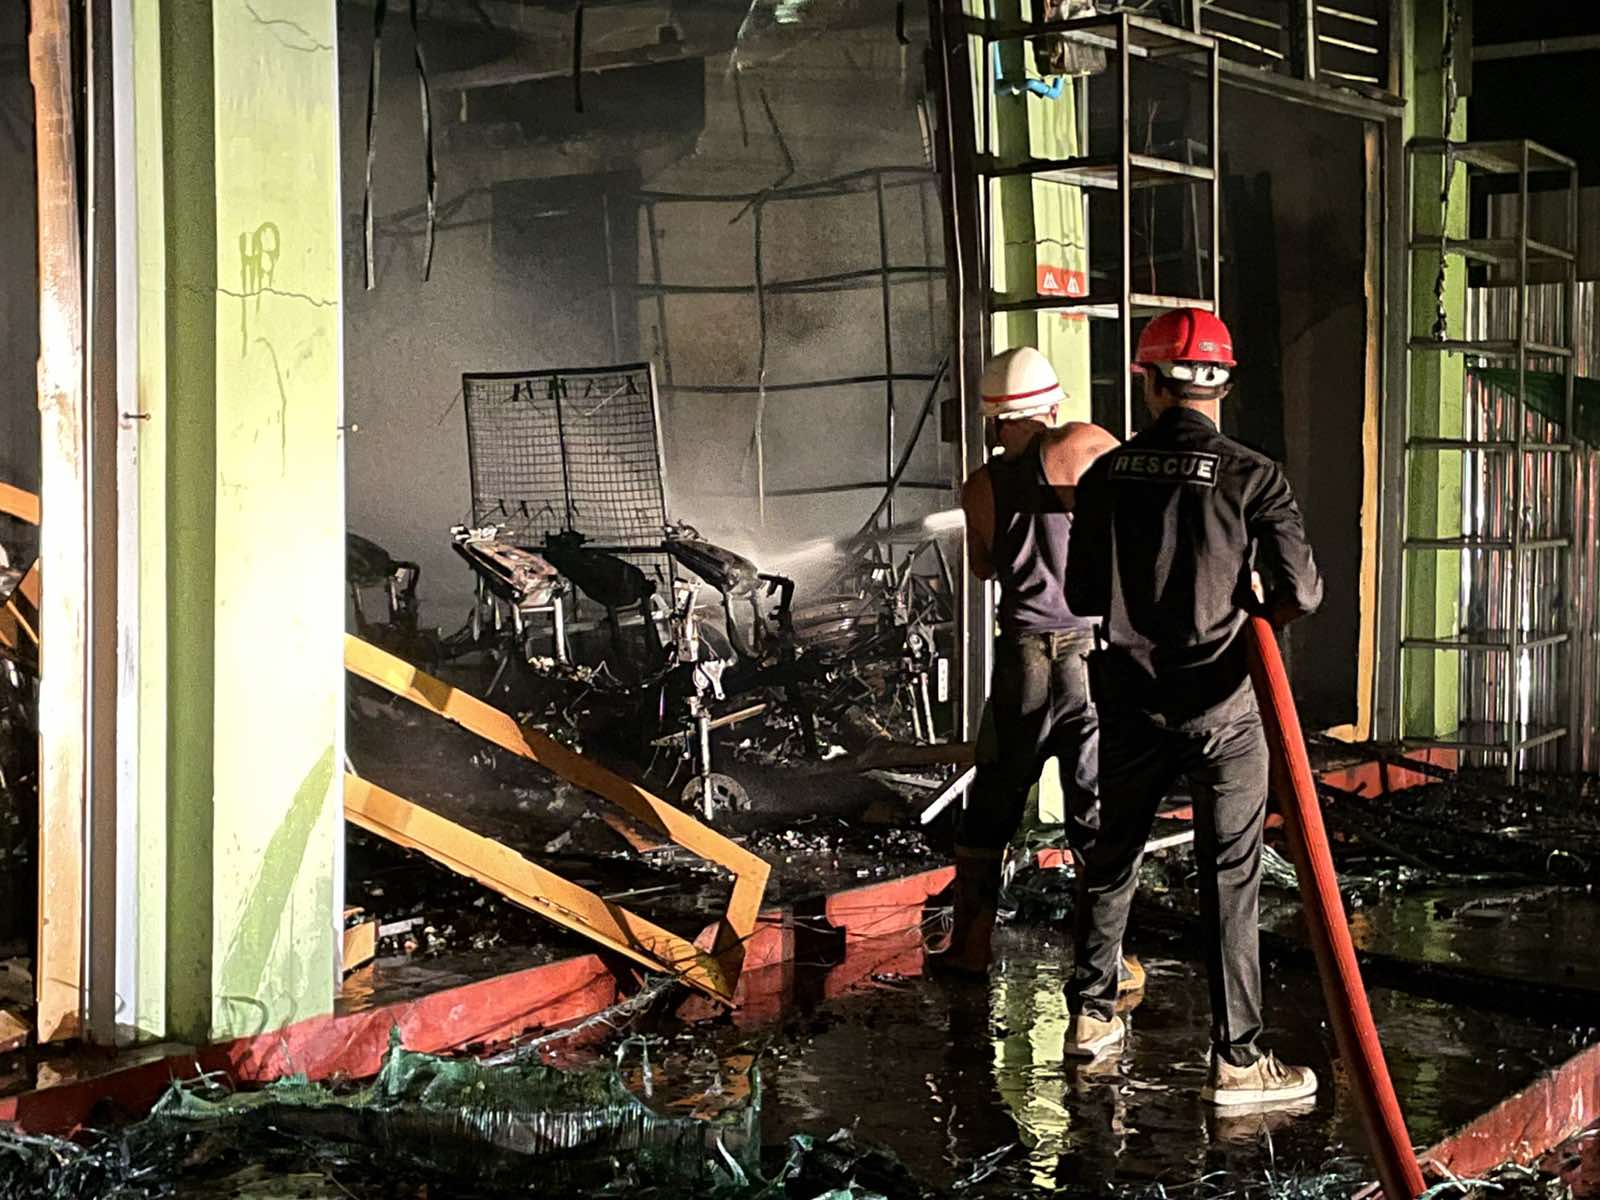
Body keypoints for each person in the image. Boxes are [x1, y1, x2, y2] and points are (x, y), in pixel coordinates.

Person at [1062, 308, 1324, 1108]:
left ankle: (1090, 1017)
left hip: (1129, 702)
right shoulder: (1255, 477)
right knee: (1230, 876)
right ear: (1223, 385)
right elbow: (1301, 592)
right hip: (1222, 709)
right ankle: (1237, 1061)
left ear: (1148, 382)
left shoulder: (1107, 475)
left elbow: (1082, 593)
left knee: (1114, 855)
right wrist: (1253, 610)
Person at [938, 346, 1131, 981]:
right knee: (1092, 808)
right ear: (1048, 406)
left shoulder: (979, 485)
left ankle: (970, 947)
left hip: (1021, 658)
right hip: (1085, 654)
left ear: (996, 418)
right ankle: (1107, 963)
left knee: (993, 802)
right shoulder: (1081, 444)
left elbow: (982, 567)